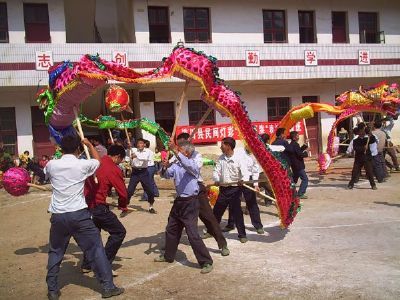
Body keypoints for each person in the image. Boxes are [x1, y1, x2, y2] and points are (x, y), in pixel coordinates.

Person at [44, 135, 123, 300]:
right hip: (79, 214)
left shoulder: (52, 164)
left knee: (56, 252)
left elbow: (46, 172)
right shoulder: (82, 164)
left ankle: (52, 290)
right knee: (95, 249)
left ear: (60, 149)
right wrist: (89, 145)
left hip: (58, 216)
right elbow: (98, 161)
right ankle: (108, 287)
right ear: (78, 149)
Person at [155, 140, 213, 274]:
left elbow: (187, 164)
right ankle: (168, 256)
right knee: (171, 229)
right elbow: (166, 175)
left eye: (180, 150)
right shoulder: (177, 165)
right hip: (179, 201)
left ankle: (206, 262)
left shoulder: (193, 164)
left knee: (192, 234)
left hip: (191, 202)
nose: (177, 152)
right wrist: (164, 166)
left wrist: (174, 150)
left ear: (186, 152)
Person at [176, 133, 229, 256]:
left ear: (189, 143)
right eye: (179, 145)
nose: (180, 147)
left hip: (197, 189)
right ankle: (170, 245)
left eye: (182, 144)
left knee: (208, 218)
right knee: (175, 220)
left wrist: (178, 155)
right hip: (182, 192)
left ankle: (222, 244)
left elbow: (192, 168)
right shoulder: (176, 156)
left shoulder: (197, 156)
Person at [82, 144, 128, 276]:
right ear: (118, 157)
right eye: (121, 159)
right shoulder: (113, 168)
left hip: (86, 205)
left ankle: (87, 264)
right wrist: (123, 205)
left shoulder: (95, 163)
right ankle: (104, 264)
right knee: (119, 232)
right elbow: (123, 193)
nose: (121, 162)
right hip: (98, 207)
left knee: (94, 235)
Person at [213, 137, 250, 243]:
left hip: (235, 189)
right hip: (223, 189)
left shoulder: (239, 158)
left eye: (222, 145)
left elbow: (245, 173)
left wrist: (243, 180)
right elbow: (216, 171)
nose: (220, 147)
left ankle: (242, 234)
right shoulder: (221, 158)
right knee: (216, 212)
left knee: (237, 212)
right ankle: (212, 231)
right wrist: (216, 179)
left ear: (228, 146)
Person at [224, 147, 264, 234]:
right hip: (237, 179)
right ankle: (231, 224)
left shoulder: (255, 154)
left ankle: (258, 225)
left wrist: (255, 184)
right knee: (233, 202)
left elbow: (255, 170)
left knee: (252, 202)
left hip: (248, 180)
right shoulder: (238, 151)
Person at [127, 138, 156, 213]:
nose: (140, 145)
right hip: (135, 172)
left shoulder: (148, 151)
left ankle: (151, 207)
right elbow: (127, 157)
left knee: (150, 190)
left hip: (144, 172)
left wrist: (136, 156)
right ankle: (125, 205)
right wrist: (128, 148)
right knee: (130, 190)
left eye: (141, 143)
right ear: (136, 144)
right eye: (138, 143)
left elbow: (145, 159)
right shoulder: (132, 150)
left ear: (144, 144)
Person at [348, 126, 377, 190]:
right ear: (358, 132)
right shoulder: (355, 140)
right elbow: (356, 148)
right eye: (361, 131)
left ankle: (373, 185)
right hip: (358, 159)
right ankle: (351, 184)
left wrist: (370, 133)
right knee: (355, 172)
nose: (363, 132)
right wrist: (363, 148)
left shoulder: (367, 139)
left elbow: (373, 140)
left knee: (369, 172)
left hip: (367, 158)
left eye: (363, 131)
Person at [286, 131, 309, 199]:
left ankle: (289, 191)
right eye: (297, 136)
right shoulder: (295, 144)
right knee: (305, 179)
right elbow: (300, 154)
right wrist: (306, 153)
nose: (298, 137)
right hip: (298, 165)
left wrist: (305, 145)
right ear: (294, 137)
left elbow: (298, 151)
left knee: (294, 180)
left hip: (294, 165)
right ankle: (300, 193)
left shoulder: (292, 144)